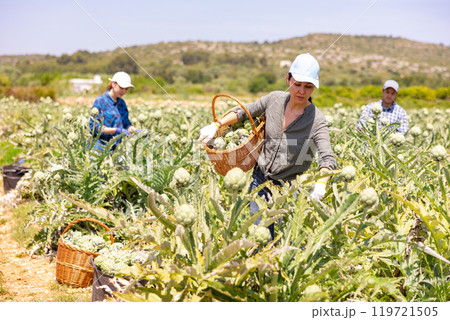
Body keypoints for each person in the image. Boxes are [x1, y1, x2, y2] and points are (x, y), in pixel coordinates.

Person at [198, 53, 337, 239]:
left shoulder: (317, 120)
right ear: (288, 79)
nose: (302, 91)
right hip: (260, 182)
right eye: (297, 84)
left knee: (288, 239)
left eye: (308, 86)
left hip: (290, 188)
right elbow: (243, 112)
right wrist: (217, 125)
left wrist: (321, 184)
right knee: (259, 237)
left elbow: (327, 157)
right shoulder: (274, 100)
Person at [89, 71, 139, 152]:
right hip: (99, 148)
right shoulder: (100, 101)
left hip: (116, 149)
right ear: (113, 84)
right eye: (121, 88)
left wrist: (135, 130)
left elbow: (126, 123)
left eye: (126, 89)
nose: (124, 91)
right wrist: (116, 130)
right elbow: (94, 128)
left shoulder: (122, 103)